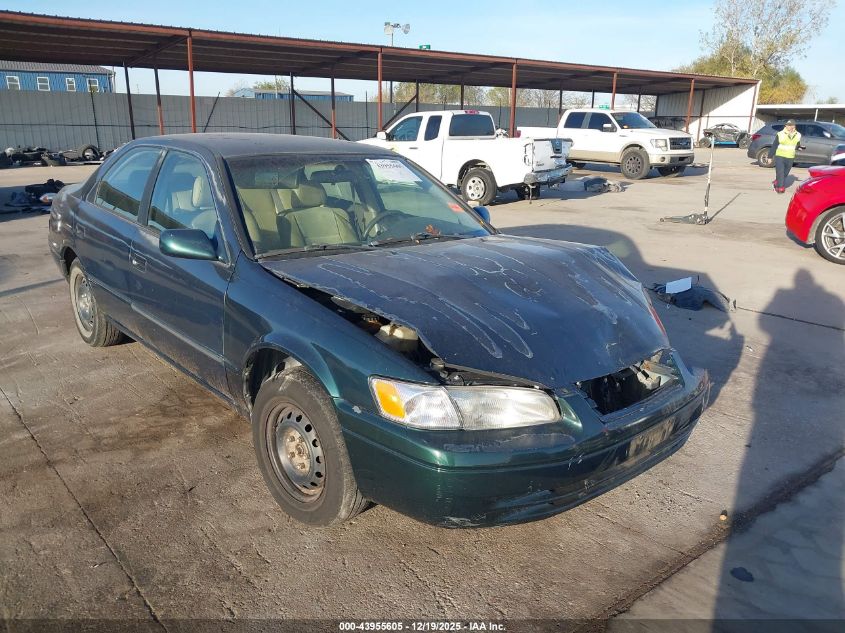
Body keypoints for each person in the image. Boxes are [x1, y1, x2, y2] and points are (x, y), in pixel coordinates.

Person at [769, 119, 804, 193]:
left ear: (794, 126)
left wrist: (799, 147)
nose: (789, 127)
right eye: (787, 125)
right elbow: (774, 145)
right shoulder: (780, 134)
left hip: (790, 157)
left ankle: (777, 181)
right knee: (780, 172)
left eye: (791, 125)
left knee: (785, 173)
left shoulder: (798, 135)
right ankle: (780, 187)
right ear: (786, 126)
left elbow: (796, 145)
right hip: (780, 156)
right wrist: (770, 156)